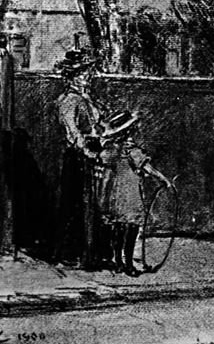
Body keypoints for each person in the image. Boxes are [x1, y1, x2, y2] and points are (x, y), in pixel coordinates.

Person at [96, 110, 172, 277]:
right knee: (131, 229)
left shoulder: (112, 150)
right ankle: (129, 264)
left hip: (116, 194)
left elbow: (106, 162)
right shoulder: (133, 151)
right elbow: (148, 169)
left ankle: (118, 263)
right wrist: (164, 180)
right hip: (130, 195)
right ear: (128, 131)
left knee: (118, 228)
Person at [52, 49, 104, 266]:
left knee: (91, 205)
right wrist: (88, 152)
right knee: (77, 205)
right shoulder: (68, 101)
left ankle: (90, 255)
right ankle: (70, 254)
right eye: (81, 73)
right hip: (78, 157)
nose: (86, 76)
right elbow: (72, 132)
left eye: (86, 71)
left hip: (91, 152)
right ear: (70, 76)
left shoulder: (86, 98)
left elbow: (95, 126)